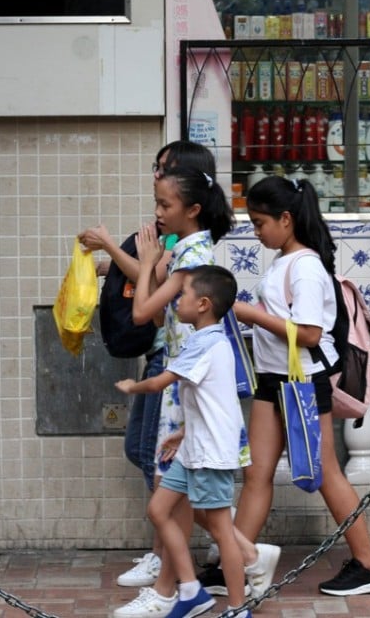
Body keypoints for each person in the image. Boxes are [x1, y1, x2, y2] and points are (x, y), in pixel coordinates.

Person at [199, 175, 370, 597]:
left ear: (286, 219)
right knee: (257, 474)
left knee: (325, 472)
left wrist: (250, 313)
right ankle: (233, 563)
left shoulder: (305, 266)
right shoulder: (287, 261)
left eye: (260, 223)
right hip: (274, 379)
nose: (256, 231)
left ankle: (369, 564)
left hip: (302, 381)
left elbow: (308, 334)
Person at [112, 149, 276, 617]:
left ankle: (188, 590)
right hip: (187, 396)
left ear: (193, 209)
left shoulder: (192, 257)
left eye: (165, 205)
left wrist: (148, 262)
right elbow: (156, 315)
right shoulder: (185, 251)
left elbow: (143, 312)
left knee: (187, 506)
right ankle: (207, 578)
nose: (158, 213)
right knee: (174, 501)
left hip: (188, 395)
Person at [78, 141, 214, 590]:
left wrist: (116, 253)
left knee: (163, 467)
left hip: (174, 365)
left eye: (163, 170)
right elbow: (155, 286)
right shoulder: (181, 238)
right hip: (167, 357)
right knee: (150, 457)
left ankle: (175, 562)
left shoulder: (188, 248)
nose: (156, 176)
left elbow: (151, 290)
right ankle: (205, 553)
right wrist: (115, 267)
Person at [115, 265, 254, 618]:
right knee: (159, 510)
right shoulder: (207, 340)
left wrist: (132, 386)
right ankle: (191, 590)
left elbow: (160, 382)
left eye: (183, 295)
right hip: (194, 448)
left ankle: (238, 608)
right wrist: (184, 433)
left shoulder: (206, 343)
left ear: (203, 304)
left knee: (222, 532)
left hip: (210, 455)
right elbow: (211, 400)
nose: (177, 300)